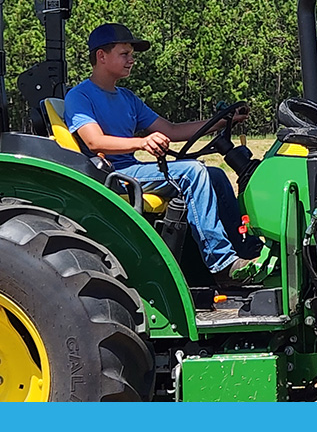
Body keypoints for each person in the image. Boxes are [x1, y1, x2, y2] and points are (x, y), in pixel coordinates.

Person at [64, 22, 259, 285]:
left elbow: (172, 129)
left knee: (215, 175)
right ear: (102, 56)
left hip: (132, 170)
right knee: (193, 171)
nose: (131, 60)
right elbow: (95, 141)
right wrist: (141, 143)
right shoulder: (80, 97)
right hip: (112, 175)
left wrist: (223, 121)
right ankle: (221, 264)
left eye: (131, 54)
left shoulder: (127, 97)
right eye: (125, 54)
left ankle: (243, 254)